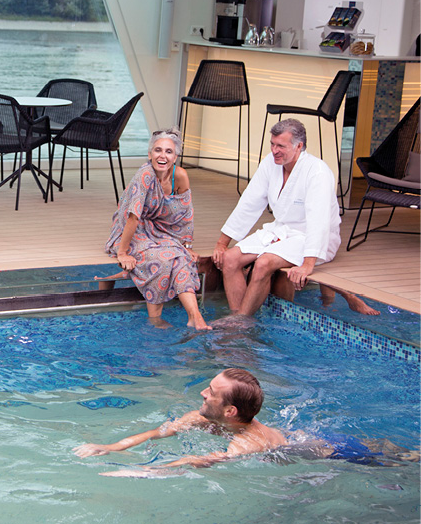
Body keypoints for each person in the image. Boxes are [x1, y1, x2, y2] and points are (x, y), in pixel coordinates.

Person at [211, 118, 341, 318]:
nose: (274, 150)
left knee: (263, 263)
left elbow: (319, 221)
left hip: (310, 238)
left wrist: (307, 265)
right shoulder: (270, 163)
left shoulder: (318, 172)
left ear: (299, 146)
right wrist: (222, 242)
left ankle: (240, 322)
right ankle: (238, 317)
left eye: (281, 146)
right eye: (272, 144)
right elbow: (249, 202)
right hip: (280, 230)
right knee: (229, 259)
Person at [73, 368, 287, 470]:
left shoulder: (246, 444)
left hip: (293, 452)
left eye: (211, 392)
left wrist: (147, 471)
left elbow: (197, 461)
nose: (203, 393)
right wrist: (111, 447)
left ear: (230, 411)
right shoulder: (203, 418)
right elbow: (158, 432)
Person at [104, 127, 209, 330]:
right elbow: (133, 217)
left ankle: (195, 317)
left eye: (168, 151)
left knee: (181, 257)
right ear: (150, 153)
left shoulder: (180, 176)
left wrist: (186, 244)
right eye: (158, 150)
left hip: (158, 230)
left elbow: (184, 213)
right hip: (131, 229)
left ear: (176, 156)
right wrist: (122, 253)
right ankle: (155, 318)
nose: (162, 156)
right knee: (163, 259)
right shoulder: (144, 175)